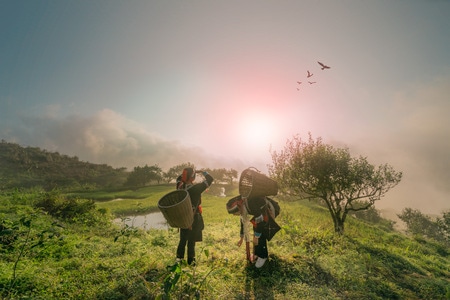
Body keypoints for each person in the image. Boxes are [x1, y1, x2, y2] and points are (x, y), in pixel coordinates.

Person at [227, 195, 279, 268]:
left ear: (237, 208)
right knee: (256, 229)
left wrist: (257, 237)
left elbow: (260, 220)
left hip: (270, 209)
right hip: (261, 212)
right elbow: (243, 223)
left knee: (261, 232)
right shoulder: (243, 206)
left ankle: (263, 256)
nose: (233, 215)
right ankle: (257, 254)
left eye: (233, 213)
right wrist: (241, 238)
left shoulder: (250, 203)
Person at [175, 167, 213, 265]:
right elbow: (210, 179)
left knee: (183, 238)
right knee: (191, 240)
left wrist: (187, 174)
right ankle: (191, 261)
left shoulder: (180, 186)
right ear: (193, 177)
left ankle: (179, 259)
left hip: (183, 217)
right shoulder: (196, 189)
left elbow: (179, 178)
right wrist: (203, 172)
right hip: (193, 217)